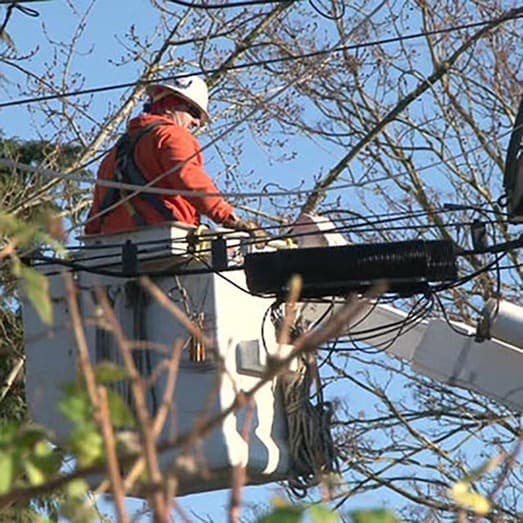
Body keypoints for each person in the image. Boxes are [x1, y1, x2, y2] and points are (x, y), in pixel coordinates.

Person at [84, 75, 251, 235]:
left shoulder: (112, 155)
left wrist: (90, 254)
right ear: (170, 104)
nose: (197, 122)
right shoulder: (171, 136)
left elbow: (96, 214)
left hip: (113, 252)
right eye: (193, 112)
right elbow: (189, 178)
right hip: (162, 241)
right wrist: (227, 216)